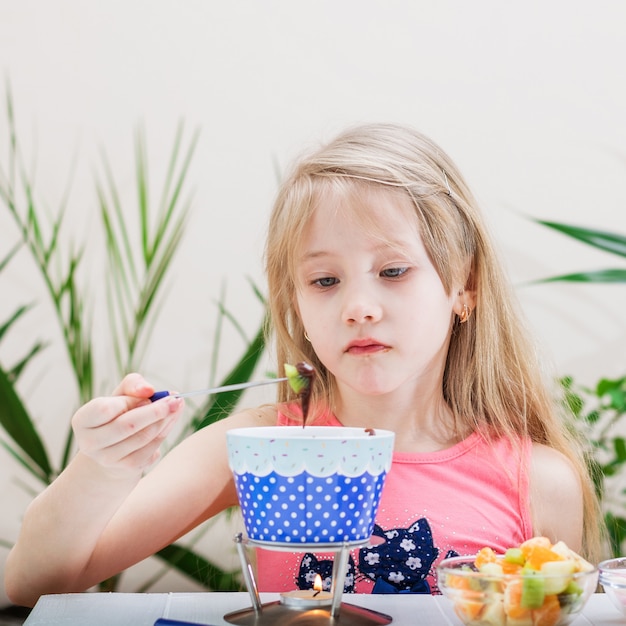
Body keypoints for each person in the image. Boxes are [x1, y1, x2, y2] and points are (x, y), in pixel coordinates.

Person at [5, 123, 602, 606]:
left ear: (463, 287)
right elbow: (33, 584)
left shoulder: (540, 481)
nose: (359, 309)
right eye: (324, 280)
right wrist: (104, 467)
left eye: (393, 271)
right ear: (295, 300)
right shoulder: (258, 450)